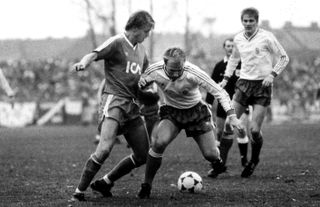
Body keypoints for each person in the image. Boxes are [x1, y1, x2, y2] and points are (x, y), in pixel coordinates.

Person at [69, 10, 155, 202]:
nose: (148, 35)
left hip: (132, 106)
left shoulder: (142, 50)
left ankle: (106, 182)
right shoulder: (117, 42)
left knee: (143, 155)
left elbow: (146, 75)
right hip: (115, 101)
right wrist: (83, 64)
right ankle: (79, 191)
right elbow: (93, 54)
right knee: (104, 148)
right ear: (137, 28)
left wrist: (148, 86)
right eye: (147, 31)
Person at [137, 47, 245, 199]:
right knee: (158, 143)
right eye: (171, 70)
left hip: (196, 112)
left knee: (210, 154)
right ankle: (146, 185)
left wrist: (232, 116)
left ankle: (217, 160)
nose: (175, 74)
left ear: (184, 63)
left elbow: (219, 92)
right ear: (164, 63)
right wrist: (141, 85)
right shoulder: (153, 70)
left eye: (178, 69)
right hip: (172, 112)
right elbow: (139, 83)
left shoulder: (193, 72)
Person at [220, 7, 289, 178]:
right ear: (241, 21)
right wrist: (226, 79)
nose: (248, 23)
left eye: (251, 21)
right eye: (245, 21)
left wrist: (272, 75)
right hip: (243, 84)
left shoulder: (267, 37)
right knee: (230, 124)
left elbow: (284, 57)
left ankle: (254, 159)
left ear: (257, 21)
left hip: (262, 86)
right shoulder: (238, 38)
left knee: (255, 131)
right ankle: (219, 164)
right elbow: (234, 59)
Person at [205, 38, 250, 178]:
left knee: (241, 130)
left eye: (233, 46)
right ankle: (219, 163)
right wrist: (208, 103)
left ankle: (244, 159)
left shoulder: (243, 64)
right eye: (228, 46)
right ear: (224, 48)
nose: (231, 48)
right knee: (219, 132)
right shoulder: (219, 66)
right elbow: (211, 86)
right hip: (222, 105)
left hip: (239, 103)